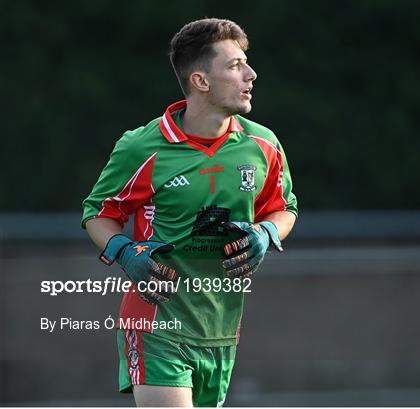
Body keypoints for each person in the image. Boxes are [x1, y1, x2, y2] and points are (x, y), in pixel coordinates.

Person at [81, 18, 297, 407]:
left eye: (246, 62)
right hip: (155, 321)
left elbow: (283, 209)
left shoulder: (263, 145)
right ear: (201, 81)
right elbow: (97, 212)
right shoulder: (141, 146)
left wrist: (266, 234)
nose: (251, 73)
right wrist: (125, 253)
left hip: (221, 328)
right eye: (234, 65)